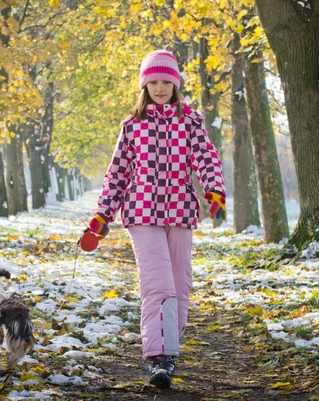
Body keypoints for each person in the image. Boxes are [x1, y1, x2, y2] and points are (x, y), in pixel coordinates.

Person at [87, 49, 226, 389]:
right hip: (142, 211)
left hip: (181, 209)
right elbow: (116, 174)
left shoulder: (190, 122)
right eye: (154, 82)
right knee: (158, 283)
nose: (160, 88)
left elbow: (206, 159)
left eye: (167, 81)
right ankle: (159, 358)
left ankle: (169, 348)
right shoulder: (132, 126)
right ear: (144, 85)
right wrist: (103, 213)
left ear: (176, 85)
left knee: (180, 284)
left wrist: (214, 191)